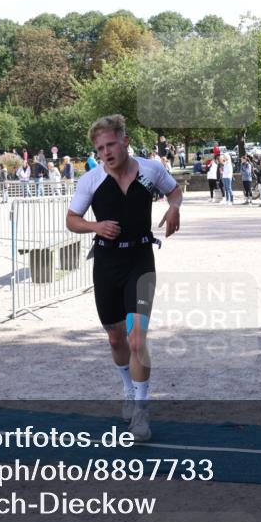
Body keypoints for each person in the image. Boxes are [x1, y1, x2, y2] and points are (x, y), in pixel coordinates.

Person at [65, 114, 182, 442]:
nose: (106, 152)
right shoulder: (91, 180)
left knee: (135, 337)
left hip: (140, 259)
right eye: (100, 148)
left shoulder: (150, 171)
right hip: (106, 262)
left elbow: (174, 192)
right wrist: (95, 226)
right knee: (116, 338)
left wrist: (174, 208)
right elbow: (72, 219)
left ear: (125, 141)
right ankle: (129, 389)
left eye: (111, 144)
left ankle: (142, 412)